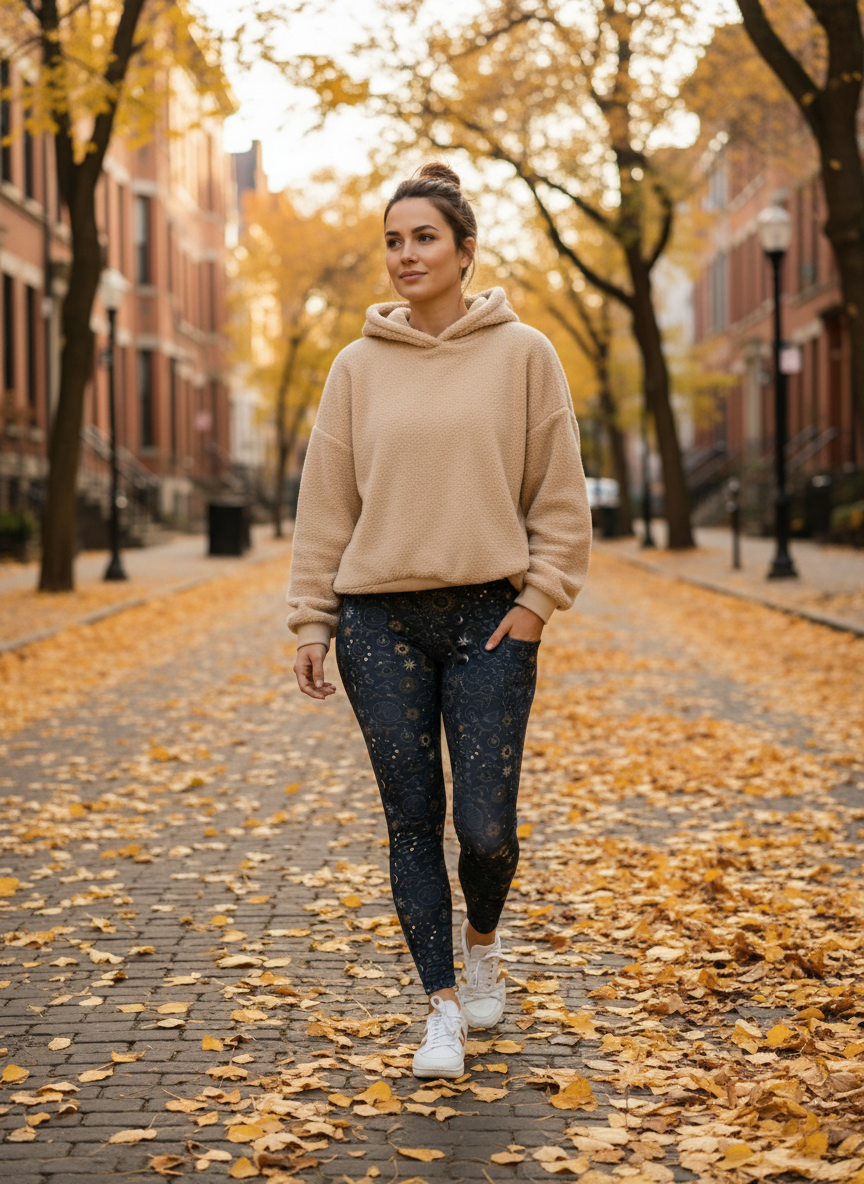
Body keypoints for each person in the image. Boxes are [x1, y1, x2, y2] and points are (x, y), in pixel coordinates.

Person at [287, 162, 591, 1079]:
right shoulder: (356, 367)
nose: (406, 255)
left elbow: (559, 496)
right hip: (378, 623)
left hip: (489, 620)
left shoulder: (525, 355)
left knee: (487, 829)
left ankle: (484, 945)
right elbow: (325, 504)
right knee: (413, 819)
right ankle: (442, 1010)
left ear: (465, 250)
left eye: (424, 238)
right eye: (393, 241)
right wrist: (312, 621)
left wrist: (538, 602)